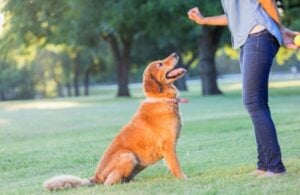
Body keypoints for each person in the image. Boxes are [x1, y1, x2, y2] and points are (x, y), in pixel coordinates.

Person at [187, 0, 299, 177]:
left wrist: (282, 28)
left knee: (253, 102)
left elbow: (267, 1)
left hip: (259, 34)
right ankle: (264, 164)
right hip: (249, 39)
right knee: (258, 103)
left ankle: (275, 167)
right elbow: (235, 17)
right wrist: (204, 20)